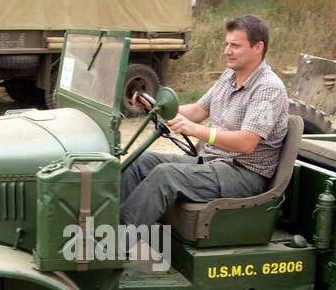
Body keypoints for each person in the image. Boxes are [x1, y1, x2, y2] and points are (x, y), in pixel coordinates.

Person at [120, 14, 289, 229]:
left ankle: (114, 243)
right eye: (227, 44)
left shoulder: (268, 88)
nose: (227, 51)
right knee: (139, 162)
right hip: (213, 163)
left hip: (244, 176)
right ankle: (108, 224)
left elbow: (247, 142)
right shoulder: (230, 75)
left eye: (235, 46)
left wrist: (197, 131)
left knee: (166, 175)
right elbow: (199, 110)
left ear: (258, 48)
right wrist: (159, 108)